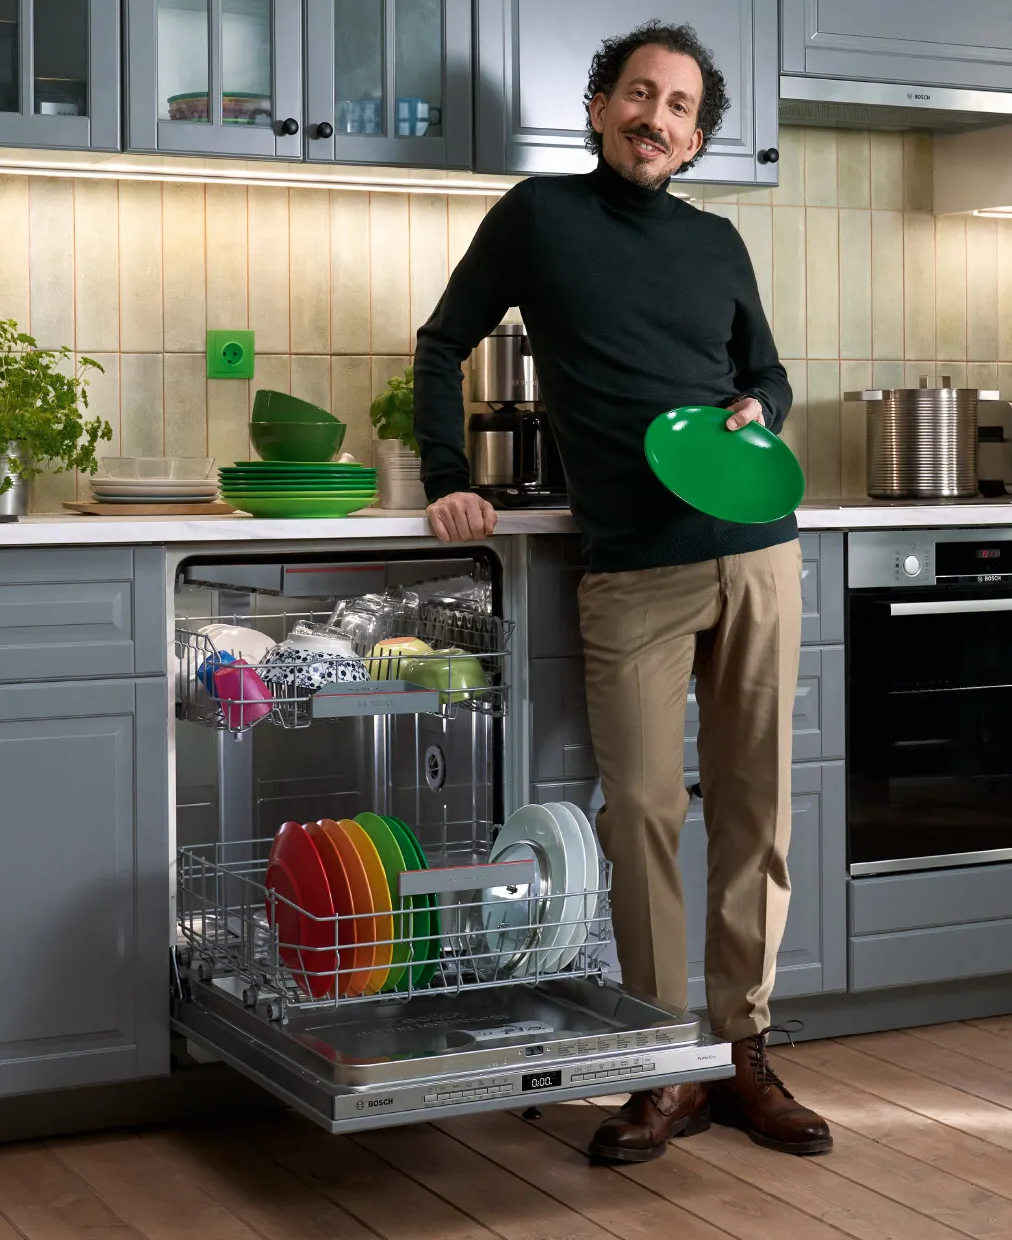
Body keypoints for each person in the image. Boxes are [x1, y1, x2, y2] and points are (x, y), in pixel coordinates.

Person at [411, 21, 828, 1164]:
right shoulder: (537, 218)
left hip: (754, 545)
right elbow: (441, 343)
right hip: (630, 567)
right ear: (599, 107)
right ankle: (662, 1060)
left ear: (696, 139)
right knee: (640, 809)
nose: (657, 119)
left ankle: (740, 1051)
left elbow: (768, 373)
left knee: (756, 810)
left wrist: (762, 412)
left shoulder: (717, 241)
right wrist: (447, 480)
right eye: (639, 96)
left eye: (681, 108)